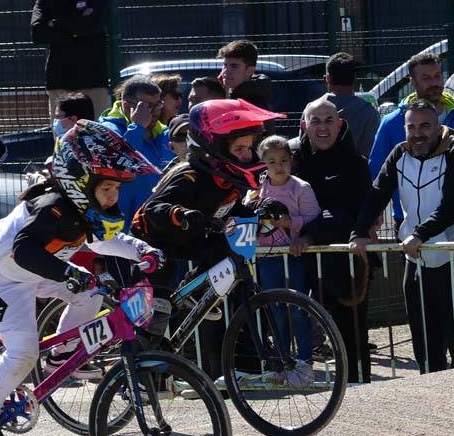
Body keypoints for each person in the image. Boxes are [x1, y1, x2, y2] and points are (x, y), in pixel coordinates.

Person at [0, 121, 164, 436]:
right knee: (23, 352)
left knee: (92, 291)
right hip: (2, 278)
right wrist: (70, 271)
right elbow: (25, 250)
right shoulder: (52, 208)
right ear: (81, 183)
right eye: (107, 190)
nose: (113, 198)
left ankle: (60, 358)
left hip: (38, 272)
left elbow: (104, 242)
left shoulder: (83, 209)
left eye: (116, 190)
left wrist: (143, 250)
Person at [131, 99, 286, 379]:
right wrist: (183, 213)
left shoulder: (228, 181)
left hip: (191, 237)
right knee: (158, 313)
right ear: (214, 149)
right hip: (155, 242)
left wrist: (258, 211)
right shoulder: (188, 176)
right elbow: (154, 209)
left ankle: (194, 295)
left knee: (224, 248)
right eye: (238, 149)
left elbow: (229, 210)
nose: (246, 155)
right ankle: (138, 377)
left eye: (249, 148)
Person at [351, 100, 454, 373]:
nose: (418, 133)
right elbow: (377, 193)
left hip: (452, 259)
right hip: (416, 261)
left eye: (425, 126)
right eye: (411, 127)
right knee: (425, 347)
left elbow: (452, 207)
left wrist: (420, 234)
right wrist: (359, 232)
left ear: (438, 127)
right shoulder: (399, 153)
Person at [290, 98, 373, 383]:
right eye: (315, 121)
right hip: (301, 261)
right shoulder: (292, 159)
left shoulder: (355, 163)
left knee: (350, 332)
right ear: (304, 126)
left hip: (345, 262)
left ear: (340, 125)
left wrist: (312, 231)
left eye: (328, 121)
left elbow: (354, 215)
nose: (322, 128)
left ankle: (360, 385)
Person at [368, 53, 454, 234]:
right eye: (426, 78)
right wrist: (371, 220)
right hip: (408, 221)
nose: (434, 83)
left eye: (437, 76)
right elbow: (375, 174)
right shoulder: (392, 123)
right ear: (413, 82)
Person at [248, 135, 321, 383]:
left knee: (299, 310)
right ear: (263, 164)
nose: (278, 166)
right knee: (275, 311)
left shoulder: (301, 187)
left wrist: (291, 223)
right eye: (271, 162)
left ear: (291, 161)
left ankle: (304, 362)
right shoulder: (258, 189)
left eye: (283, 160)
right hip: (267, 258)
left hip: (294, 256)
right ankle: (280, 362)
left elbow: (314, 217)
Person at [31, 0, 111, 120]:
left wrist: (56, 24)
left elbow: (94, 24)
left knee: (97, 135)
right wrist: (76, 28)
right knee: (62, 139)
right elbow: (37, 32)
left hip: (93, 80)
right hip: (59, 81)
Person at [99, 75, 171, 233]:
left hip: (160, 228)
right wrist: (137, 127)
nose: (155, 112)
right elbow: (119, 164)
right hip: (124, 235)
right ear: (127, 105)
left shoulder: (163, 133)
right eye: (147, 106)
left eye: (158, 104)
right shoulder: (107, 131)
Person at [323, 52, 380, 158]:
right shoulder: (369, 113)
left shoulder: (311, 110)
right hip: (356, 173)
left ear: (328, 78)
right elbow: (372, 153)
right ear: (354, 78)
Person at [217, 40, 272, 109]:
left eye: (234, 66)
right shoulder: (227, 93)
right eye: (225, 65)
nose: (226, 71)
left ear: (250, 70)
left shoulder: (256, 103)